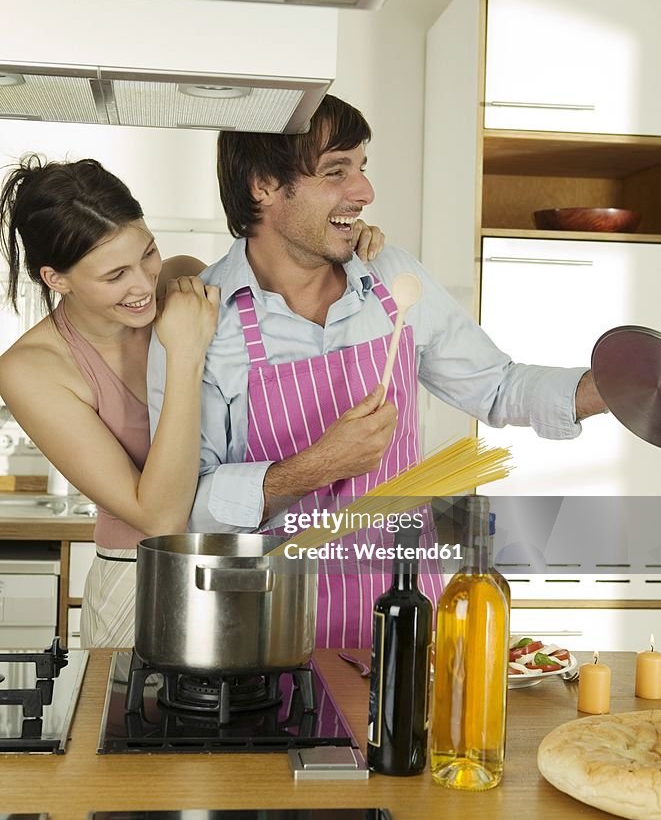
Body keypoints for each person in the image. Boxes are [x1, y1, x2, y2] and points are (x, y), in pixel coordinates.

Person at [147, 94, 606, 649]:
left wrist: (609, 389)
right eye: (336, 170)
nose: (363, 192)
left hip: (407, 611)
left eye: (361, 167)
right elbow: (187, 513)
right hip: (266, 633)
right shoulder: (202, 322)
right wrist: (314, 467)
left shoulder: (392, 276)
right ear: (263, 184)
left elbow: (498, 386)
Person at [0, 154, 387, 648]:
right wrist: (182, 355)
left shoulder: (182, 279)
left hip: (242, 566)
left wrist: (340, 244)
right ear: (57, 278)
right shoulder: (31, 368)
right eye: (114, 275)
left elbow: (278, 302)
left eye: (147, 253)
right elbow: (161, 518)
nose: (143, 285)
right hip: (141, 586)